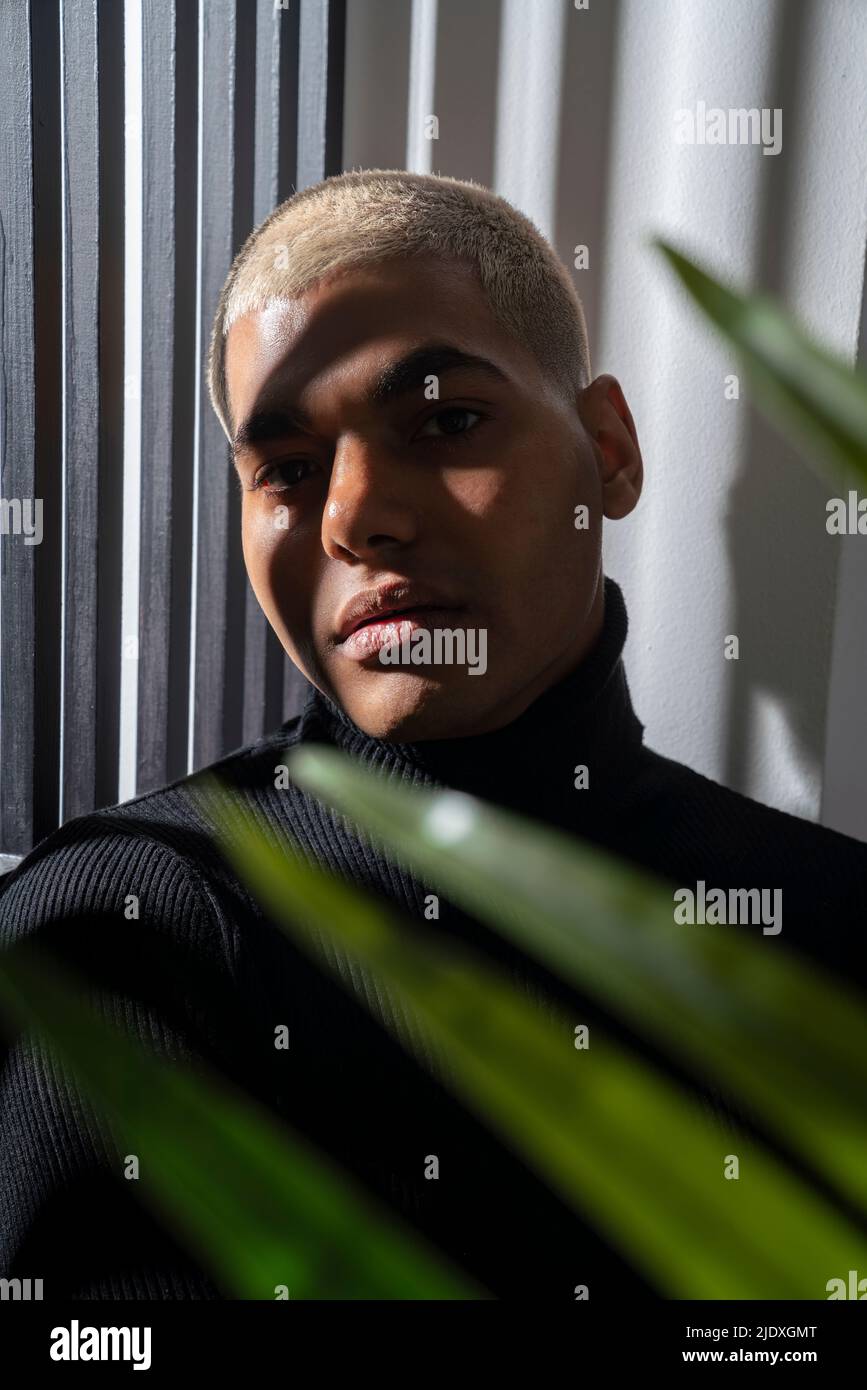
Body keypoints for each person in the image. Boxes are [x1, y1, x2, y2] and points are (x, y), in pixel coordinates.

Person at [1, 169, 864, 1300]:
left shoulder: (832, 921)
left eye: (448, 420)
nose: (358, 516)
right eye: (289, 472)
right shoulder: (136, 921)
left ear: (609, 450)